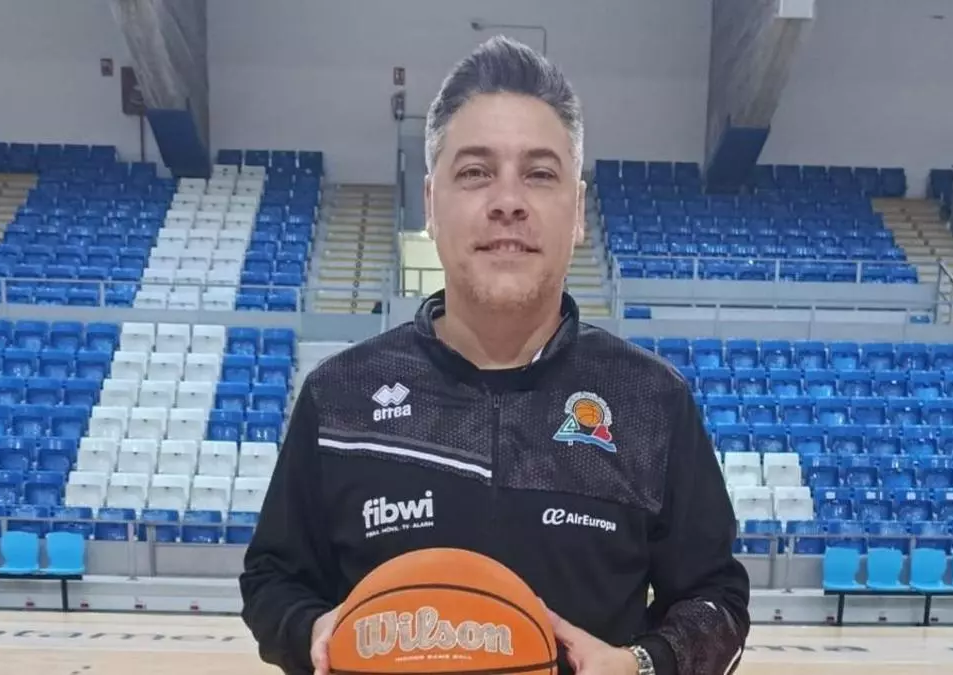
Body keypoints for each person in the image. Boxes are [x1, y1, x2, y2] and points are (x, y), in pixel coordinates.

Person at [239, 36, 750, 675]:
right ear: (431, 204)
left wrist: (642, 665)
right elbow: (272, 579)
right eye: (476, 172)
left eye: (539, 173)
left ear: (578, 213)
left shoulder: (651, 402)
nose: (508, 201)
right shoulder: (339, 397)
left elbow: (717, 601)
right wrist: (312, 631)